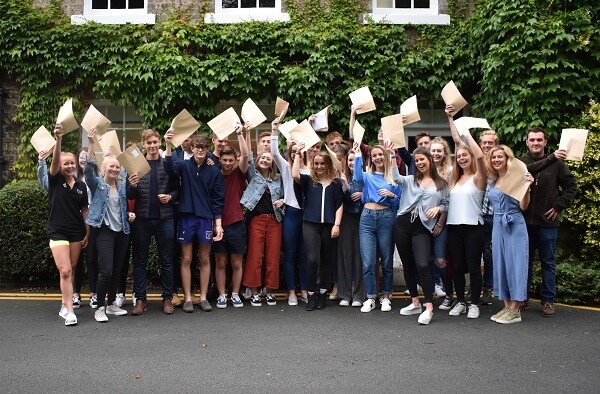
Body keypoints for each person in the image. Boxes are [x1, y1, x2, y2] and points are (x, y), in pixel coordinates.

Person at [164, 132, 224, 313]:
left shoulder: (214, 170)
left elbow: (218, 200)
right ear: (192, 148)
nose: (200, 150)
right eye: (197, 147)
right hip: (186, 216)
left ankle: (204, 297)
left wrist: (218, 224)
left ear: (207, 149)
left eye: (204, 147)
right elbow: (168, 168)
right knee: (187, 258)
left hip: (205, 218)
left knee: (205, 258)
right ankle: (188, 298)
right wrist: (167, 144)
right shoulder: (183, 165)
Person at [520, 127, 576, 317]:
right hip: (525, 223)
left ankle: (548, 301)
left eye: (539, 140)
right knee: (524, 263)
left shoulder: (557, 164)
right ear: (527, 142)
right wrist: (553, 157)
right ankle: (522, 298)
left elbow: (571, 186)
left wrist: (559, 206)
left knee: (548, 262)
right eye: (532, 140)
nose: (536, 143)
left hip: (547, 223)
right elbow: (529, 170)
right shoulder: (522, 162)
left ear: (545, 142)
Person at [391, 146, 448, 325]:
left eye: (422, 159)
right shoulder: (410, 180)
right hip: (402, 224)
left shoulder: (442, 184)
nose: (419, 163)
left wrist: (438, 208)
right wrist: (393, 157)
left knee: (423, 264)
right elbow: (395, 178)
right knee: (407, 264)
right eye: (416, 161)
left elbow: (446, 203)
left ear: (430, 160)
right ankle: (415, 302)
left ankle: (429, 307)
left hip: (423, 228)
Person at [127, 129, 180, 315]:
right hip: (142, 219)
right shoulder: (136, 164)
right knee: (140, 261)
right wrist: (132, 185)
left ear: (159, 142)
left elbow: (177, 189)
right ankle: (141, 300)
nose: (152, 145)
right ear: (143, 144)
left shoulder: (167, 162)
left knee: (167, 260)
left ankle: (167, 298)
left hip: (164, 218)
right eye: (148, 143)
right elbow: (130, 194)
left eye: (155, 142)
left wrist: (170, 197)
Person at [85, 128, 133, 322]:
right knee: (106, 270)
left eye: (117, 167)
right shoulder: (97, 184)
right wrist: (91, 144)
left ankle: (112, 304)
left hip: (122, 231)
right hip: (104, 231)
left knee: (117, 268)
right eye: (111, 166)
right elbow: (88, 169)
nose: (114, 169)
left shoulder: (121, 186)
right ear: (104, 168)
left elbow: (122, 207)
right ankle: (99, 307)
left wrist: (129, 213)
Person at [47, 123, 89, 326]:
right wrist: (59, 139)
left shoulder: (81, 186)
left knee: (72, 268)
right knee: (64, 270)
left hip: (76, 232)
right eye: (66, 164)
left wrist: (87, 232)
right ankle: (69, 310)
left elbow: (85, 211)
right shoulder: (55, 179)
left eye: (72, 163)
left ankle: (64, 303)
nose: (70, 166)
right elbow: (54, 162)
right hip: (57, 231)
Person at [352, 141, 402, 313]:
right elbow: (356, 178)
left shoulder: (393, 178)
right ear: (371, 159)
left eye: (381, 154)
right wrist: (358, 155)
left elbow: (398, 203)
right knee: (368, 262)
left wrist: (391, 195)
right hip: (366, 218)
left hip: (386, 218)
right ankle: (371, 297)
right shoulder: (367, 176)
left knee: (387, 261)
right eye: (374, 155)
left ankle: (386, 296)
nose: (378, 157)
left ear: (386, 157)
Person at [292, 145, 344, 310]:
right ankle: (311, 294)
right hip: (310, 224)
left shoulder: (335, 184)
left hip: (329, 226)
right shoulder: (309, 181)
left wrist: (337, 224)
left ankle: (323, 293)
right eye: (316, 164)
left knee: (326, 260)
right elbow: (294, 174)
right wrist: (299, 155)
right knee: (313, 259)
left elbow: (339, 205)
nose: (319, 166)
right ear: (313, 165)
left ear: (328, 165)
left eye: (323, 163)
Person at [445, 124, 488, 319]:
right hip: (454, 228)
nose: (462, 158)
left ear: (471, 157)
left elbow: (480, 157)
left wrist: (467, 134)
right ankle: (460, 300)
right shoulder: (454, 179)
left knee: (473, 266)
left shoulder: (479, 177)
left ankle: (474, 304)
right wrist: (450, 118)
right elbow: (455, 141)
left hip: (473, 228)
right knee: (457, 268)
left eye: (465, 155)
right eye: (459, 156)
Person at [487, 145, 533, 324]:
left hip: (514, 223)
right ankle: (506, 306)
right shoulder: (493, 180)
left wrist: (527, 187)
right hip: (498, 225)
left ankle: (515, 309)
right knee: (501, 264)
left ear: (507, 159)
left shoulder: (517, 178)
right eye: (494, 157)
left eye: (500, 157)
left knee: (517, 264)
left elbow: (523, 206)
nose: (497, 160)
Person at [271, 118, 308, 306]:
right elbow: (274, 153)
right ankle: (292, 291)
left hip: (308, 216)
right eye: (293, 152)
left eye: (299, 151)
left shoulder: (310, 170)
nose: (296, 154)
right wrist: (274, 130)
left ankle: (304, 290)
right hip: (292, 214)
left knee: (304, 255)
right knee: (290, 254)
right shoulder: (286, 168)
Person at [241, 150, 284, 307]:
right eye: (263, 158)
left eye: (269, 159)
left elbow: (285, 196)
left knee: (273, 257)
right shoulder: (253, 175)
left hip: (275, 220)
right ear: (258, 160)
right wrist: (245, 131)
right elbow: (247, 155)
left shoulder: (277, 180)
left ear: (273, 163)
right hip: (257, 220)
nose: (265, 160)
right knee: (255, 256)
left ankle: (270, 290)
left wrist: (282, 201)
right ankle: (254, 291)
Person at [214, 125, 249, 309]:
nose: (227, 163)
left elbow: (245, 155)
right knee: (220, 262)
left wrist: (240, 134)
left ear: (235, 160)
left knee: (236, 262)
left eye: (230, 160)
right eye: (224, 160)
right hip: (219, 224)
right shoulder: (214, 175)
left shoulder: (238, 173)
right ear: (219, 159)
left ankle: (235, 294)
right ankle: (221, 295)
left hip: (236, 223)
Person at [337, 146, 365, 307]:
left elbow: (373, 197)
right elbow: (341, 200)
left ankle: (360, 295)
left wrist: (363, 194)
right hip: (347, 217)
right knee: (345, 255)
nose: (352, 162)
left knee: (361, 257)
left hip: (363, 218)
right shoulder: (341, 177)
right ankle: (345, 294)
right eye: (350, 160)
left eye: (355, 159)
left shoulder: (365, 177)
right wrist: (345, 186)